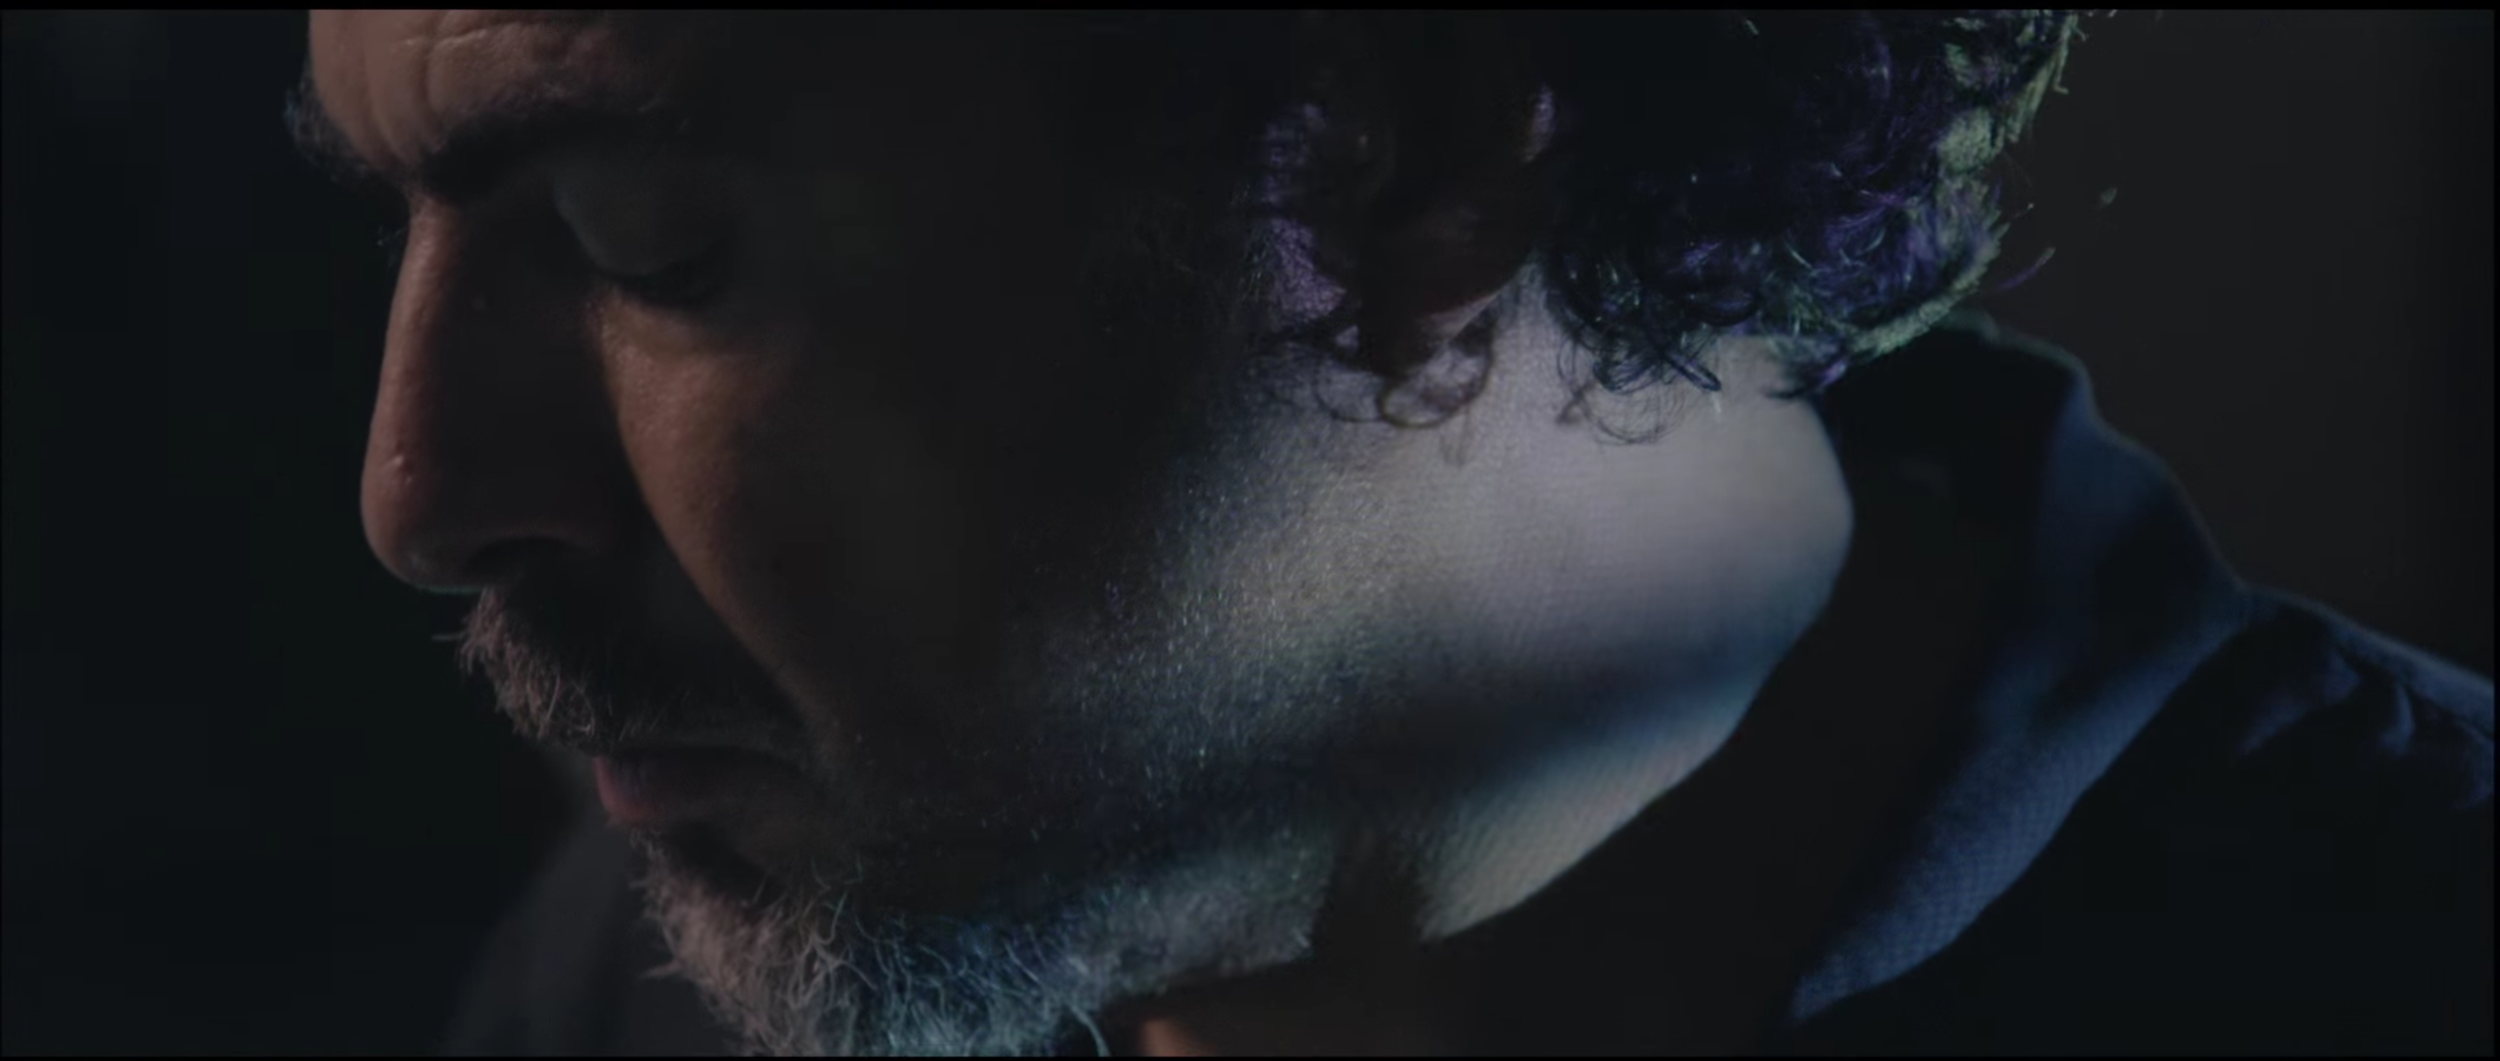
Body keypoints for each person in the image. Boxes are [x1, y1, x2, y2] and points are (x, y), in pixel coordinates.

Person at [290, 11, 2492, 1056]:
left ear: (1390, 151)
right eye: (400, 225)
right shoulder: (663, 973)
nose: (416, 492)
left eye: (642, 237)